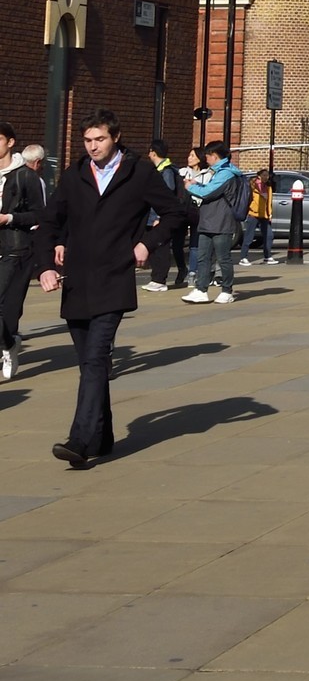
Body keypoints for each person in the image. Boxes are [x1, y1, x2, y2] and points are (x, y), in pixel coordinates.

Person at [34, 111, 186, 467]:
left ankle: (79, 439)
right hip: (76, 281)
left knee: (96, 358)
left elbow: (177, 213)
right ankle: (102, 436)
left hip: (114, 279)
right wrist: (44, 264)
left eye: (99, 139)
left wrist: (147, 243)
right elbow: (48, 221)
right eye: (87, 141)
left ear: (115, 137)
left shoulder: (140, 173)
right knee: (90, 363)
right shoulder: (74, 176)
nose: (93, 147)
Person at [0, 124, 46, 380]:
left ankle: (8, 346)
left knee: (7, 307)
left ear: (10, 143)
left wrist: (9, 218)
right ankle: (9, 343)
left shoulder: (25, 176)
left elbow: (40, 214)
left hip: (15, 248)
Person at [183, 141, 246, 303]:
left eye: (208, 156)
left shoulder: (226, 173)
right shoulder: (219, 172)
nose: (206, 159)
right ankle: (201, 289)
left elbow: (209, 192)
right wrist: (199, 184)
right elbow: (212, 190)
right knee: (203, 257)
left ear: (215, 156)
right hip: (209, 220)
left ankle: (227, 290)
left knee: (222, 257)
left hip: (221, 221)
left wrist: (190, 187)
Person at [141, 140, 191, 292]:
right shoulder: (160, 169)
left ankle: (159, 279)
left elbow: (164, 196)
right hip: (154, 216)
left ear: (153, 152)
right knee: (154, 246)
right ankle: (156, 278)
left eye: (149, 151)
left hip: (160, 217)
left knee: (161, 247)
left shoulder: (166, 171)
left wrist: (158, 217)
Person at [238, 163, 275, 267]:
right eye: (264, 175)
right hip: (253, 214)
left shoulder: (268, 188)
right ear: (259, 176)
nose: (266, 177)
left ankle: (267, 257)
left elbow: (269, 202)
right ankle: (243, 257)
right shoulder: (253, 186)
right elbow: (248, 199)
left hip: (264, 215)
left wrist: (270, 213)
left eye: (267, 175)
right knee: (249, 237)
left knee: (269, 235)